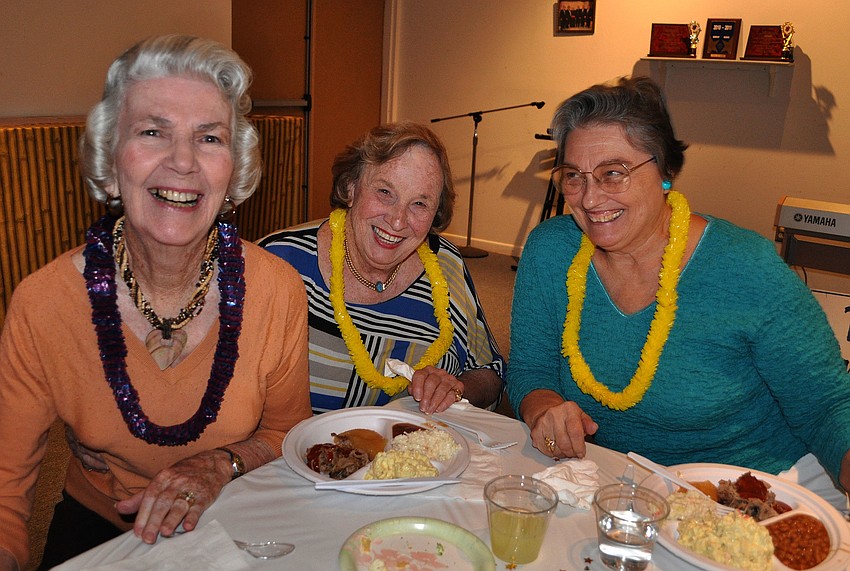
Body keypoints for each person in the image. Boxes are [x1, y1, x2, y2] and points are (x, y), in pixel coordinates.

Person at [0, 35, 312, 571]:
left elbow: (288, 435)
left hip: (239, 516)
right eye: (152, 131)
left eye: (209, 138)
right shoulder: (43, 303)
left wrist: (219, 464)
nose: (184, 161)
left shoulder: (277, 289)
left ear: (233, 171)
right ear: (109, 156)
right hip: (104, 528)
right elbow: (5, 492)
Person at [508, 76, 850, 508]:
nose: (590, 197)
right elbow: (530, 369)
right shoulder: (551, 250)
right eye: (574, 176)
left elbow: (827, 406)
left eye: (614, 173)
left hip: (757, 491)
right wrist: (544, 408)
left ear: (667, 172)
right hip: (615, 481)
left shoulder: (746, 267)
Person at [259, 122, 505, 415]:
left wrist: (456, 387)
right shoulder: (280, 262)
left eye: (419, 203)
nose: (398, 221)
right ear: (351, 187)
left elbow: (492, 372)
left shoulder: (446, 265)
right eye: (385, 192)